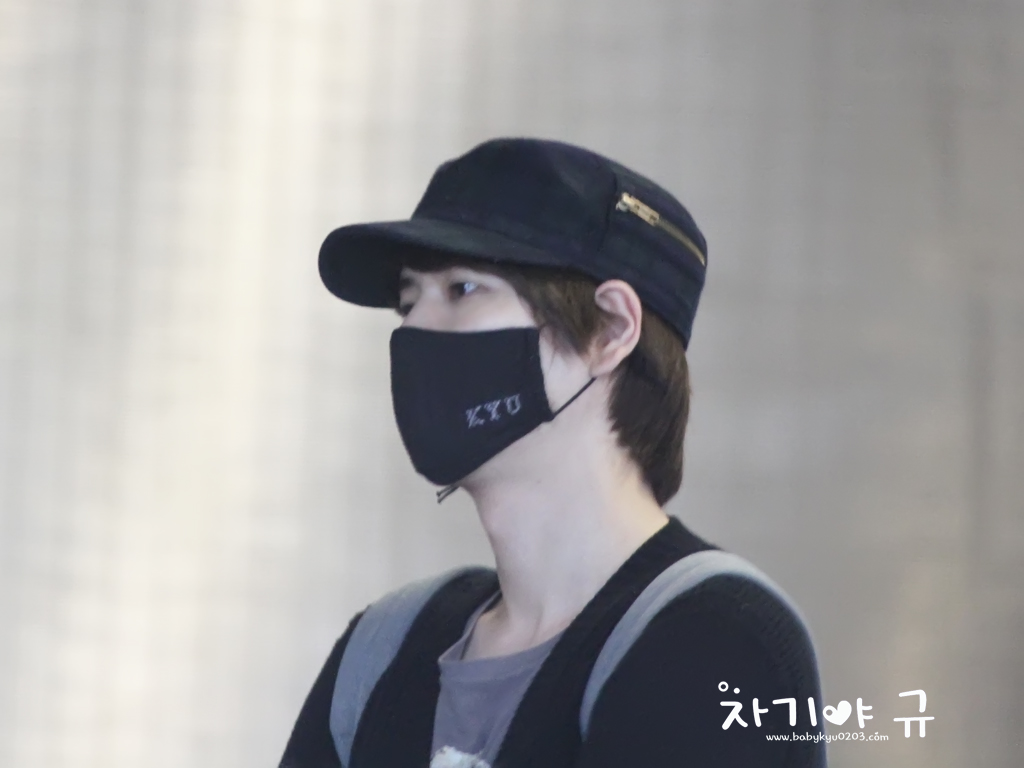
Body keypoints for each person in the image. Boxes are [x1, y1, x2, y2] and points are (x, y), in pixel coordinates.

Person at [279, 138, 827, 767]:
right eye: (408, 300)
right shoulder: (384, 648)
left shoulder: (719, 642)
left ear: (611, 329)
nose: (414, 330)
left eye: (462, 289)